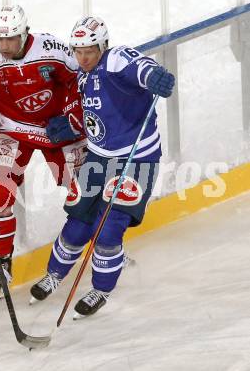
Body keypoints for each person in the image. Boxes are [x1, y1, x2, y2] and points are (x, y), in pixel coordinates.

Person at [30, 16, 175, 318]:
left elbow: (141, 68)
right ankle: (54, 275)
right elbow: (96, 119)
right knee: (77, 224)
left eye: (89, 50)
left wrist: (155, 77)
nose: (83, 57)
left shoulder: (116, 59)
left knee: (107, 230)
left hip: (136, 160)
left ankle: (101, 290)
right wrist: (70, 126)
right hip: (98, 159)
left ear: (103, 46)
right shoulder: (83, 78)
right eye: (78, 50)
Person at [0, 5, 86, 303]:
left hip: (59, 130)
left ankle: (105, 248)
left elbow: (80, 77)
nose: (4, 46)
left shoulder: (52, 48)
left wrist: (73, 114)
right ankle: (1, 267)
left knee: (86, 192)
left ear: (26, 33)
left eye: (11, 40)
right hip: (14, 131)